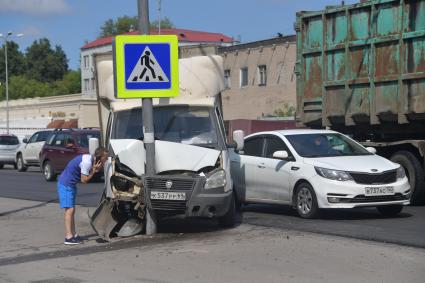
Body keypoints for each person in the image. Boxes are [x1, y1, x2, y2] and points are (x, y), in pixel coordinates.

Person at [57, 147, 108, 245]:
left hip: (70, 184)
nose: (105, 160)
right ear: (99, 157)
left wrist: (94, 169)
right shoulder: (87, 162)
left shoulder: (90, 160)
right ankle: (68, 237)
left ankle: (73, 234)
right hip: (66, 184)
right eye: (105, 158)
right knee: (69, 210)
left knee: (72, 210)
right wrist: (93, 171)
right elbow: (84, 180)